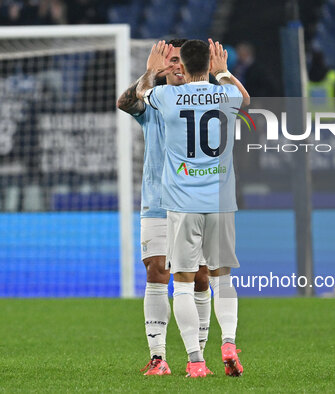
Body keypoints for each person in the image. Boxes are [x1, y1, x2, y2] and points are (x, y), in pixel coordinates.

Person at [136, 39, 250, 378]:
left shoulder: (167, 97)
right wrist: (224, 71)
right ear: (209, 64)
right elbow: (245, 100)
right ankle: (228, 342)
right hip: (220, 203)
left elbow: (143, 92)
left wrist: (150, 71)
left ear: (182, 64)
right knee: (222, 279)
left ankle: (196, 361)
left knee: (183, 284)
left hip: (182, 204)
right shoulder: (225, 95)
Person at [116, 39, 212, 376]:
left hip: (196, 203)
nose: (176, 66)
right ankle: (158, 357)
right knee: (157, 270)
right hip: (156, 203)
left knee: (200, 277)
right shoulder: (153, 102)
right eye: (171, 61)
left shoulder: (205, 101)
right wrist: (148, 73)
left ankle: (196, 357)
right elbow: (125, 102)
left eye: (181, 61)